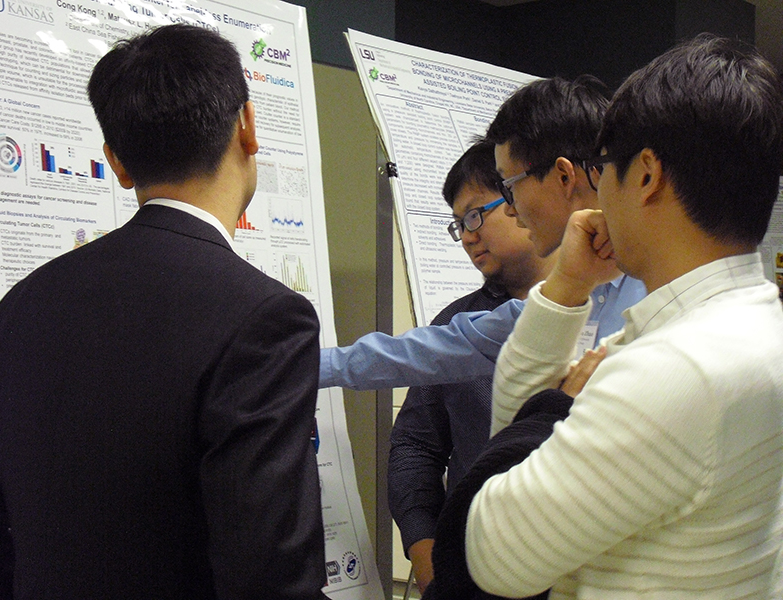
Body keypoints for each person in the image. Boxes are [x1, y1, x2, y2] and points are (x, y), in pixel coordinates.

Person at [0, 24, 327, 600]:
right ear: (247, 126)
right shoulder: (265, 319)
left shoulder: (17, 308)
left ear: (116, 162)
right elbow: (271, 575)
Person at [466, 35, 783, 599]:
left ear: (645, 175)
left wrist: (556, 405)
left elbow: (493, 554)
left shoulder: (676, 369)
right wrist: (567, 284)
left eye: (603, 168)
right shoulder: (751, 321)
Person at [319, 77, 645, 392]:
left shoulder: (661, 278)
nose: (512, 208)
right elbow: (437, 348)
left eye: (510, 186)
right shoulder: (557, 296)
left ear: (563, 176)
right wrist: (304, 365)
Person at [388, 140, 553, 593]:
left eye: (476, 214)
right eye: (458, 224)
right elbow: (414, 447)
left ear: (523, 200)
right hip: (472, 573)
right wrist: (428, 562)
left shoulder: (613, 311)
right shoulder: (458, 325)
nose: (466, 235)